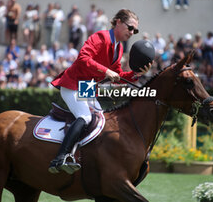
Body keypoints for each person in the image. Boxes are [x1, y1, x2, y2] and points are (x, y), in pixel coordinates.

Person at [48, 9, 152, 174]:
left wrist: (136, 75)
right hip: (73, 84)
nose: (132, 32)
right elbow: (83, 58)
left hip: (87, 87)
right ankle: (59, 158)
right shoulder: (101, 37)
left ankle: (87, 157)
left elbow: (118, 76)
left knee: (100, 120)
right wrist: (106, 71)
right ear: (118, 22)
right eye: (130, 28)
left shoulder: (118, 49)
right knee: (85, 117)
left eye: (135, 31)